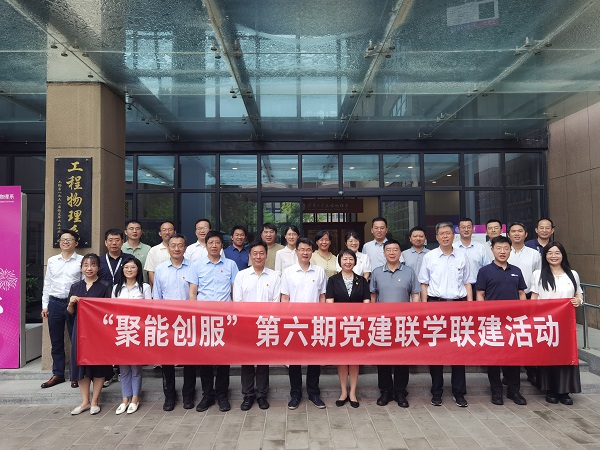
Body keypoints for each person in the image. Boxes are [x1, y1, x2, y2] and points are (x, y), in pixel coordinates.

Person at [419, 222, 473, 408]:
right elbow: (424, 284)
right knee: (436, 351)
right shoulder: (430, 257)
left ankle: (459, 392)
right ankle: (437, 391)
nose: (445, 236)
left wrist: (470, 308)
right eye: (441, 233)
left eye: (448, 233)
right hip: (436, 305)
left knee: (458, 350)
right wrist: (425, 308)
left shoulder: (462, 256)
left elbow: (467, 283)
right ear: (436, 237)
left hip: (458, 306)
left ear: (453, 235)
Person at [189, 230, 239, 413]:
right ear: (206, 245)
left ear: (222, 245)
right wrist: (194, 314)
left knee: (224, 359)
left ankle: (222, 395)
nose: (214, 246)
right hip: (204, 318)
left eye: (217, 242)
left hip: (224, 319)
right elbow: (192, 292)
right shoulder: (197, 265)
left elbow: (234, 290)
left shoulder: (231, 265)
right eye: (211, 243)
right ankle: (207, 395)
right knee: (206, 359)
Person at [475, 236, 528, 406]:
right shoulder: (485, 271)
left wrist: (524, 315)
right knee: (494, 358)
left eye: (506, 248)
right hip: (493, 322)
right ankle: (496, 391)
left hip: (513, 322)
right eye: (499, 248)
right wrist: (482, 317)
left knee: (514, 358)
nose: (502, 251)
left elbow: (521, 293)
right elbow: (480, 295)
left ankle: (514, 391)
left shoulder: (516, 270)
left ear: (510, 250)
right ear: (492, 250)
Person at [530, 242, 583, 405]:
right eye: (550, 253)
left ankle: (564, 391)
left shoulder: (572, 274)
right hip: (546, 324)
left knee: (566, 356)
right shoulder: (538, 274)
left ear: (563, 255)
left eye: (557, 253)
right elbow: (534, 298)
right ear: (545, 256)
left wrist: (579, 301)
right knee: (549, 356)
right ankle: (551, 390)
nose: (553, 256)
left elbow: (579, 294)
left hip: (566, 324)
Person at [370, 240, 420, 408]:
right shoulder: (377, 272)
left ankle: (400, 391)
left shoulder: (409, 272)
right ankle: (385, 390)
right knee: (383, 358)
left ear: (400, 252)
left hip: (404, 323)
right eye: (388, 250)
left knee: (402, 358)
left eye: (395, 249)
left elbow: (415, 295)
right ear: (384, 253)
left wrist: (414, 316)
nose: (392, 252)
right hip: (382, 323)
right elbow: (372, 296)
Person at [233, 240, 281, 411]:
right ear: (249, 255)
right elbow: (237, 301)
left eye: (261, 253)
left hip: (266, 325)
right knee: (246, 361)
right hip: (246, 325)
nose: (258, 256)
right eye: (255, 253)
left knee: (263, 362)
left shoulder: (274, 276)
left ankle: (261, 395)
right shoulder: (242, 276)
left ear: (266, 255)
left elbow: (276, 302)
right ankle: (248, 395)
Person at [281, 238, 327, 409]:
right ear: (297, 252)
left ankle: (314, 393)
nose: (305, 253)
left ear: (312, 252)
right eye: (302, 249)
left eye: (308, 250)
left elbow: (322, 296)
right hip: (294, 323)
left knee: (314, 359)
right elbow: (285, 298)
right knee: (294, 360)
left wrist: (322, 319)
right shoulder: (288, 272)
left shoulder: (319, 271)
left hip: (314, 322)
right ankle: (295, 394)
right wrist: (286, 320)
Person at [152, 233, 195, 411]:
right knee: (167, 360)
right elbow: (157, 296)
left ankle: (188, 394)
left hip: (189, 320)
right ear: (168, 248)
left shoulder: (193, 267)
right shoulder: (160, 269)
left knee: (190, 359)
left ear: (185, 248)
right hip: (167, 320)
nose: (177, 249)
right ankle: (169, 395)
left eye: (180, 245)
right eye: (173, 245)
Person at [66, 253, 112, 415]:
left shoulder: (105, 286)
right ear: (81, 268)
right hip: (80, 331)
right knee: (81, 365)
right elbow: (70, 313)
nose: (89, 268)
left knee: (98, 365)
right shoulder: (75, 287)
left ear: (98, 268)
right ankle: (85, 401)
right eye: (86, 265)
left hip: (98, 332)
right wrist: (71, 303)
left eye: (93, 265)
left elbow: (108, 310)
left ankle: (95, 401)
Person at [326, 249, 370, 408]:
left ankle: (353, 393)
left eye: (351, 259)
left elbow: (367, 302)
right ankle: (343, 391)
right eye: (344, 259)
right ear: (340, 261)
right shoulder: (333, 280)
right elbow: (329, 303)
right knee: (342, 360)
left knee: (354, 360)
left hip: (357, 325)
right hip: (340, 325)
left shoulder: (362, 280)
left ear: (355, 261)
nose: (348, 262)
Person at [41, 229, 83, 389]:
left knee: (76, 339)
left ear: (76, 243)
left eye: (69, 239)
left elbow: (84, 283)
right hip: (54, 303)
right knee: (56, 341)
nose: (65, 242)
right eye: (63, 239)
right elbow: (47, 283)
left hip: (74, 304)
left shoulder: (81, 261)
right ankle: (58, 373)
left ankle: (75, 375)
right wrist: (45, 305)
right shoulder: (52, 260)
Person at [112, 258, 152, 415]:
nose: (129, 270)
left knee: (135, 367)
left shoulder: (144, 287)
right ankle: (125, 399)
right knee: (123, 368)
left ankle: (135, 398)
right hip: (121, 331)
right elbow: (111, 310)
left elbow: (149, 310)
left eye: (133, 267)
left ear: (138, 269)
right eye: (126, 267)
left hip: (137, 331)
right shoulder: (116, 288)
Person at [507, 221, 542, 385]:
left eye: (520, 231)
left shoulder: (534, 254)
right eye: (513, 231)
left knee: (528, 335)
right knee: (509, 335)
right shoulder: (504, 251)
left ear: (526, 234)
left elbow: (538, 277)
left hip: (528, 297)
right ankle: (508, 373)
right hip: (508, 298)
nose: (516, 234)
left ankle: (531, 371)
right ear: (508, 235)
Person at [454, 218, 491, 286]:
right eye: (463, 227)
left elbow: (487, 267)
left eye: (469, 227)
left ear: (473, 229)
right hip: (458, 285)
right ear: (458, 230)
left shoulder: (480, 247)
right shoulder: (453, 247)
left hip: (477, 285)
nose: (466, 230)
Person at [145, 221, 176, 287]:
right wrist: (158, 287)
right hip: (159, 288)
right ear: (160, 233)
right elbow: (151, 271)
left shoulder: (180, 250)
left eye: (170, 230)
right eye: (164, 230)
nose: (167, 232)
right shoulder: (154, 250)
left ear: (175, 232)